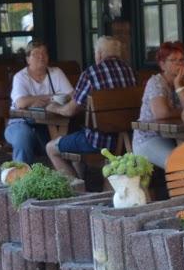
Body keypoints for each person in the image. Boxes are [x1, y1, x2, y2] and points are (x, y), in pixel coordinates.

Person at [46, 36, 136, 177]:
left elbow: (70, 110)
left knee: (51, 148)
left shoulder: (91, 73)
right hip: (126, 139)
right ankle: (85, 182)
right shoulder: (130, 71)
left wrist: (53, 108)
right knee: (76, 146)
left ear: (99, 54)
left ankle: (75, 187)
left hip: (98, 141)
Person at [5, 40, 72, 163]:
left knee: (70, 137)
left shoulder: (56, 72)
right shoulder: (20, 77)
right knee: (24, 138)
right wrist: (53, 97)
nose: (41, 57)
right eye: (36, 54)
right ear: (28, 59)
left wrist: (37, 100)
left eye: (44, 53)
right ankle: (22, 174)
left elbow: (71, 95)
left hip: (52, 122)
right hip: (21, 122)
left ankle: (66, 173)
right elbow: (21, 103)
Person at [133, 41, 184, 169]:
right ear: (162, 64)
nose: (179, 63)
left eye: (181, 60)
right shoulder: (155, 82)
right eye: (173, 60)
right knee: (179, 164)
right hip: (150, 138)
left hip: (178, 135)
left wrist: (178, 86)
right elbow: (162, 113)